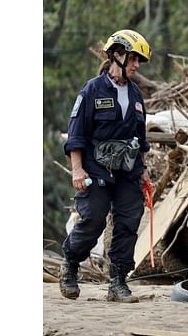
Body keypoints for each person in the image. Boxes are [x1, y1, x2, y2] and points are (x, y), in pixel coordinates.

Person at [60, 29, 152, 303]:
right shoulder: (91, 90)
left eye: (138, 61)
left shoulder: (136, 95)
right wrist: (78, 170)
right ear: (117, 55)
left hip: (128, 171)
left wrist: (144, 171)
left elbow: (141, 139)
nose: (136, 65)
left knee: (128, 222)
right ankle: (71, 263)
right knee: (94, 219)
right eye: (134, 59)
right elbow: (75, 134)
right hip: (96, 169)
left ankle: (118, 282)